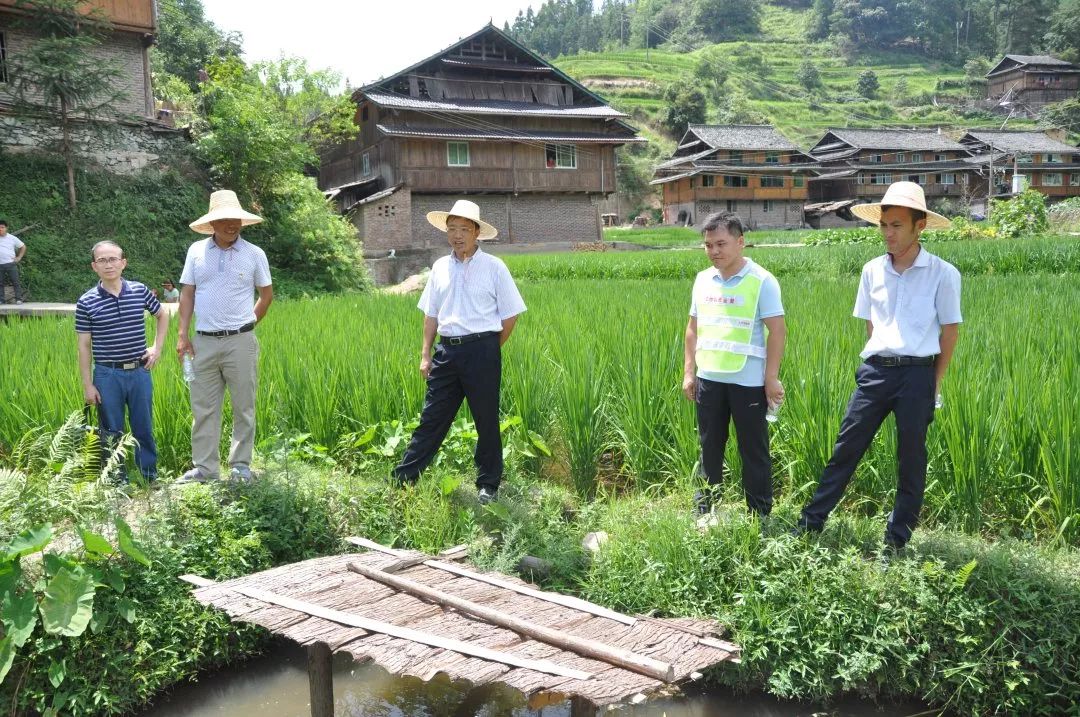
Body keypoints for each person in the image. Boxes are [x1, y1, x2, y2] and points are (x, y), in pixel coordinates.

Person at [796, 182, 961, 551]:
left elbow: (950, 332)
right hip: (875, 372)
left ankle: (896, 542)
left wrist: (934, 382)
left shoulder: (943, 273)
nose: (887, 232)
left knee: (911, 459)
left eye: (896, 225)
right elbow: (871, 324)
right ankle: (810, 525)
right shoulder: (872, 270)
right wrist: (878, 357)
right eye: (883, 224)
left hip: (918, 374)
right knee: (845, 449)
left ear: (920, 227)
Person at [393, 199, 526, 504]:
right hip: (446, 353)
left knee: (486, 419)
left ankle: (488, 484)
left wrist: (488, 348)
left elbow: (510, 316)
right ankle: (405, 477)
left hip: (482, 351)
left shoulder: (494, 267)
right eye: (452, 228)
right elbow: (431, 314)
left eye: (464, 229)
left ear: (477, 232)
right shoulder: (440, 267)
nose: (457, 235)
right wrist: (426, 353)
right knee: (432, 417)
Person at [682, 211, 786, 519]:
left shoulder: (762, 281)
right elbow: (692, 328)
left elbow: (778, 331)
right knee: (708, 447)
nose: (714, 251)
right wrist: (689, 372)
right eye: (708, 245)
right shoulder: (702, 280)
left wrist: (771, 378)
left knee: (753, 450)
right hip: (709, 378)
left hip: (748, 381)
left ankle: (759, 516)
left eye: (721, 244)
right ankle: (705, 513)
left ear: (740, 242)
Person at [175, 190, 273, 483]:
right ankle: (205, 469)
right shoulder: (196, 251)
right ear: (212, 223)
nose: (232, 225)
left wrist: (246, 324)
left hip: (240, 343)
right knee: (203, 407)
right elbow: (187, 293)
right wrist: (182, 334)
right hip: (203, 341)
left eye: (236, 220)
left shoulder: (255, 254)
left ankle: (241, 466)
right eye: (225, 220)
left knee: (244, 405)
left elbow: (266, 296)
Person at [75, 241, 169, 481]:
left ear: (123, 262)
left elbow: (162, 314)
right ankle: (117, 481)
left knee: (144, 427)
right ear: (94, 266)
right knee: (111, 431)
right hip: (108, 375)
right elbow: (84, 346)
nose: (109, 264)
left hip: (139, 371)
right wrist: (88, 385)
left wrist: (157, 349)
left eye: (113, 259)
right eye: (102, 260)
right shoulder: (86, 302)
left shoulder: (139, 291)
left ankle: (149, 477)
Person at [0, 219, 26, 305]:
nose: (0, 229)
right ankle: (1, 300)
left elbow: (23, 246)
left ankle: (18, 299)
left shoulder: (12, 238)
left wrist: (19, 257)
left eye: (2, 227)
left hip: (11, 263)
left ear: (6, 228)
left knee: (15, 281)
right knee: (0, 283)